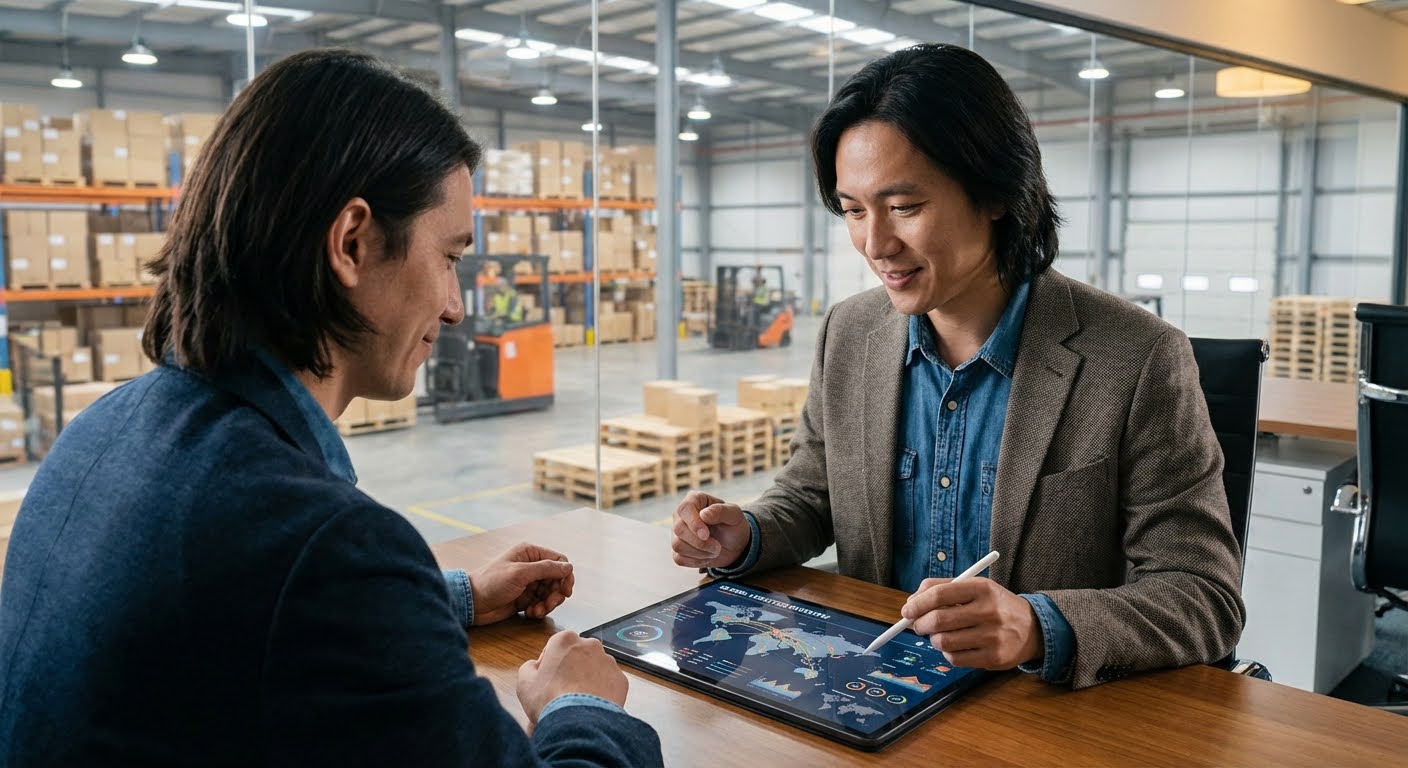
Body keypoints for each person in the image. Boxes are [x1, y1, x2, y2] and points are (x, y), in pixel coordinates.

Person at [0, 49, 662, 766]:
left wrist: (450, 597)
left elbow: (238, 609)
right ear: (351, 242)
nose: (455, 307)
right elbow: (306, 582)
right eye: (449, 257)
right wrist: (583, 705)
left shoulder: (106, 428)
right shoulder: (330, 550)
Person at [671, 44, 1244, 691]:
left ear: (997, 192)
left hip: (1040, 716)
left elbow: (1204, 597)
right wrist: (744, 533)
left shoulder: (1138, 357)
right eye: (854, 210)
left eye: (905, 207)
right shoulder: (850, 332)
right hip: (873, 695)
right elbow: (814, 494)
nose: (876, 244)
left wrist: (1038, 623)